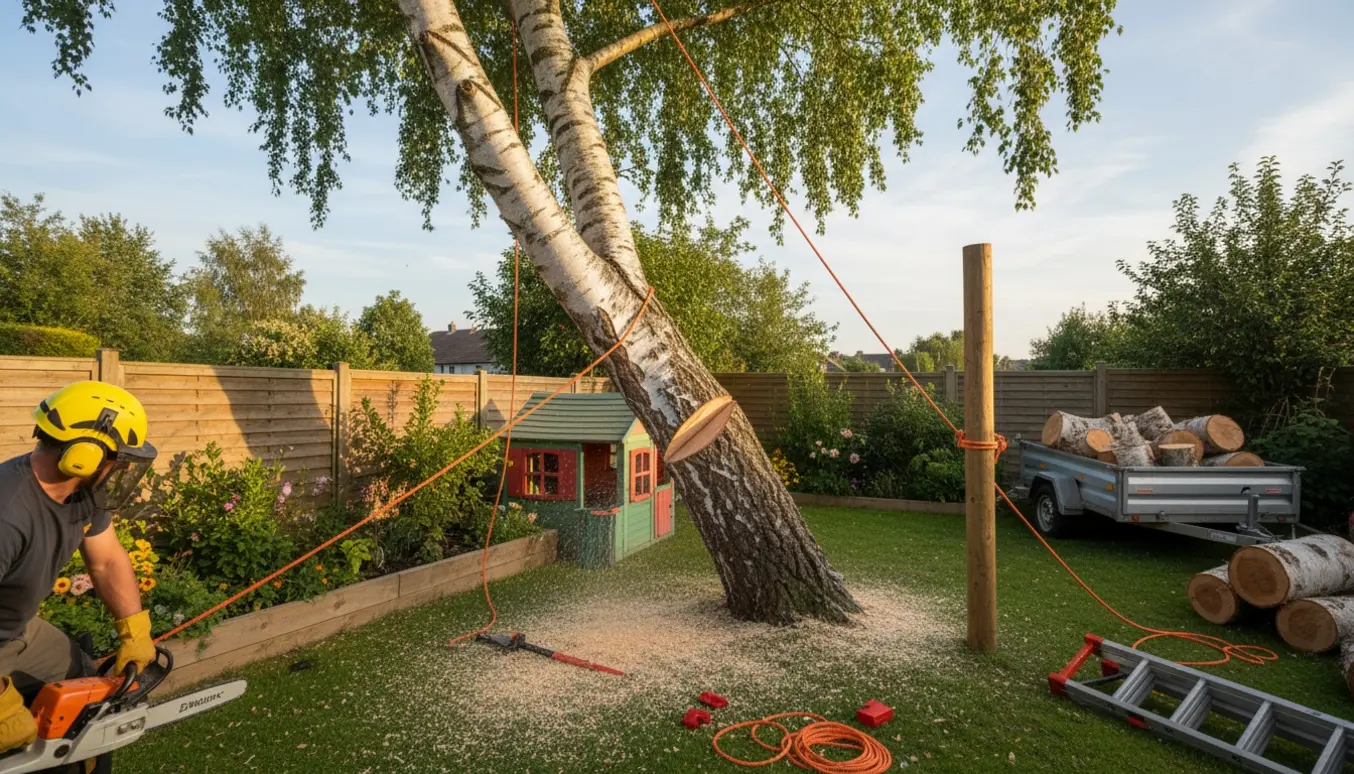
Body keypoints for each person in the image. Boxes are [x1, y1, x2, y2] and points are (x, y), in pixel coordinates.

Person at [0, 381, 159, 755]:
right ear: (84, 455)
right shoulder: (7, 513)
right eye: (118, 459)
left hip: (18, 631)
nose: (121, 469)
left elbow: (105, 560)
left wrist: (134, 630)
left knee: (86, 692)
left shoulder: (83, 493)